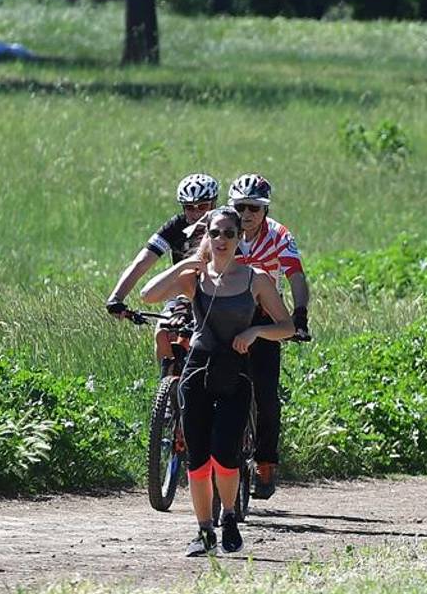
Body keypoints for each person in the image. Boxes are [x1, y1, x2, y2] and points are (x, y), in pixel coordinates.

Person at [139, 207, 294, 556]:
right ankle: (204, 531)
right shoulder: (195, 277)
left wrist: (256, 330)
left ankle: (229, 517)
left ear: (240, 238)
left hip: (236, 374)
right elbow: (148, 296)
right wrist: (182, 266)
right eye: (215, 233)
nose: (221, 240)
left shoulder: (255, 279)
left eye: (228, 233)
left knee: (226, 456)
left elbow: (286, 326)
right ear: (205, 237)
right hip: (197, 372)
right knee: (198, 459)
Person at [227, 174, 310, 500]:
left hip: (263, 314)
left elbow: (296, 276)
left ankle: (265, 463)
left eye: (254, 208)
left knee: (266, 396)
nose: (246, 214)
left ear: (265, 210)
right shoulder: (220, 226)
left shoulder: (279, 235)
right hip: (224, 312)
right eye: (240, 207)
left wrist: (299, 314)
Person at [106, 173, 218, 322]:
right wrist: (116, 298)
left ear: (214, 204)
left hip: (219, 290)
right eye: (190, 208)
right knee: (163, 332)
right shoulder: (176, 226)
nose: (196, 213)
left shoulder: (224, 224)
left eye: (203, 206)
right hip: (183, 291)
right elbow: (142, 262)